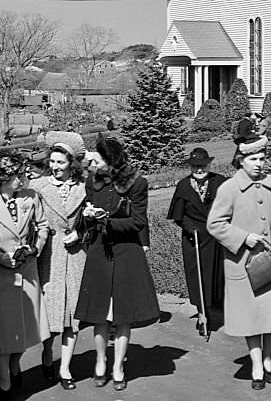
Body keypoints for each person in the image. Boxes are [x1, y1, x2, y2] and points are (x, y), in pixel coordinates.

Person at [75, 136, 160, 392]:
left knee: (123, 314)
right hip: (100, 251)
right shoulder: (93, 182)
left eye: (98, 159)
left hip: (126, 251)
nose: (92, 162)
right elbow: (85, 217)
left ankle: (118, 366)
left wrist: (107, 222)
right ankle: (101, 361)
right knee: (100, 313)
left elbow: (138, 222)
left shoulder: (136, 183)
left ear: (111, 160)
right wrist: (88, 217)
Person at [207, 134, 271, 390]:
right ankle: (257, 365)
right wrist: (242, 237)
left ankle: (270, 358)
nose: (258, 163)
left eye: (262, 158)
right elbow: (215, 224)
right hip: (242, 262)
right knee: (251, 318)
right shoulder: (229, 188)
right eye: (253, 159)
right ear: (241, 160)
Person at [0, 153, 49, 399]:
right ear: (4, 178)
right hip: (0, 275)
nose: (24, 178)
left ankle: (15, 365)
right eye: (18, 175)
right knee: (4, 332)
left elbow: (42, 226)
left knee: (26, 327)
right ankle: (4, 380)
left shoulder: (31, 197)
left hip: (27, 269)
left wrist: (35, 247)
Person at [34, 141, 88, 389]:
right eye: (52, 162)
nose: (55, 167)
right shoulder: (38, 187)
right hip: (49, 257)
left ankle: (65, 368)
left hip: (75, 256)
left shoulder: (83, 188)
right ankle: (47, 355)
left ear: (71, 164)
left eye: (60, 162)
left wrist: (80, 233)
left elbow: (92, 223)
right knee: (51, 314)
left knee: (72, 316)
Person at [166, 147, 226, 332]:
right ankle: (202, 315)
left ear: (208, 164)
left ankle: (219, 310)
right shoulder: (184, 186)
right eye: (195, 167)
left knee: (218, 276)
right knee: (198, 277)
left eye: (202, 166)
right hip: (195, 240)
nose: (199, 170)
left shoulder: (220, 182)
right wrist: (189, 227)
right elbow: (178, 215)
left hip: (217, 239)